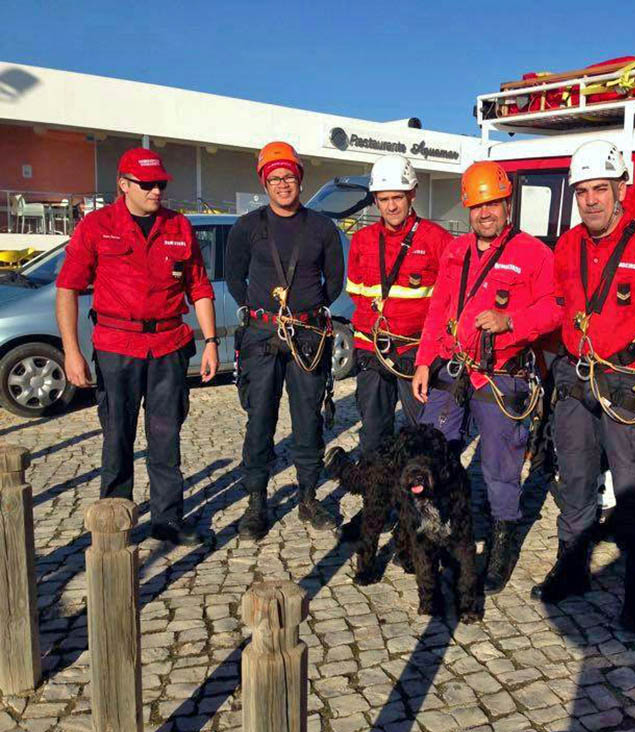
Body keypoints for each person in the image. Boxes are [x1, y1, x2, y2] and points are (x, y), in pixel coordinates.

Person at [530, 140, 635, 633]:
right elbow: (555, 305)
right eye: (583, 191)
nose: (591, 200)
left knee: (633, 491)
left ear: (622, 191)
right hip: (575, 375)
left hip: (626, 377)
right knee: (574, 478)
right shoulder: (567, 245)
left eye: (601, 190)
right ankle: (572, 568)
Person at [55, 147, 218, 546]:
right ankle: (116, 520)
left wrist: (211, 341)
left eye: (161, 183)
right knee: (117, 435)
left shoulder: (178, 227)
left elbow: (198, 287)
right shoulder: (97, 225)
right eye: (147, 184)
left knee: (166, 437)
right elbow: (67, 288)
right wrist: (72, 352)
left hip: (168, 344)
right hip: (116, 345)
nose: (156, 191)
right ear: (124, 185)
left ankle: (167, 521)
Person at [412, 161, 560, 595]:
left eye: (493, 203)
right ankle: (434, 535)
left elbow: (554, 310)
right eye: (477, 206)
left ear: (507, 203)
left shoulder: (533, 254)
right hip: (451, 370)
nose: (485, 213)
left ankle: (500, 547)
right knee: (433, 451)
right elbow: (438, 308)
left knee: (500, 466)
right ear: (468, 208)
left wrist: (511, 321)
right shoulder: (455, 251)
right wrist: (423, 361)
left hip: (500, 378)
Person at [224, 141, 344, 540]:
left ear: (300, 180)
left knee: (308, 419)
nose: (283, 185)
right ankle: (257, 501)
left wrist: (307, 312)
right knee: (260, 419)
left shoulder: (323, 228)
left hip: (308, 336)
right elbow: (234, 277)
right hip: (261, 336)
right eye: (275, 178)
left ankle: (308, 497)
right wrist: (261, 313)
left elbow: (335, 280)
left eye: (289, 177)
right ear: (265, 182)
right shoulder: (247, 227)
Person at [346, 154, 452, 455]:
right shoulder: (362, 240)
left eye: (398, 197)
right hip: (372, 350)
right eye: (383, 199)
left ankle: (421, 499)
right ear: (375, 201)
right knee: (373, 435)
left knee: (423, 435)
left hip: (416, 353)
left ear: (412, 194)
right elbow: (355, 292)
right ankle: (376, 499)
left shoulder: (437, 240)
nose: (391, 206)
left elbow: (447, 303)